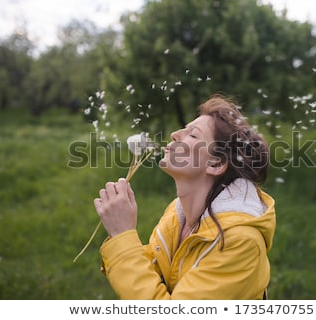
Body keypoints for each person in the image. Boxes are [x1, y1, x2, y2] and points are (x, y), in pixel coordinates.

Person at [94, 94, 276, 299]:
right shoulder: (177, 214)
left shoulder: (239, 242)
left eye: (193, 135)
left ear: (215, 163)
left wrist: (122, 235)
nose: (174, 134)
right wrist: (121, 232)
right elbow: (156, 275)